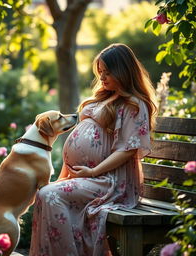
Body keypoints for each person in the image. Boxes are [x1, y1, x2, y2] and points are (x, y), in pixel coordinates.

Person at [29, 43, 158, 256]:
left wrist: (93, 171)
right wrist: (66, 175)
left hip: (110, 181)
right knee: (44, 193)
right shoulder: (106, 97)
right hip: (89, 177)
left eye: (108, 72)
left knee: (51, 196)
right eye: (100, 73)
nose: (103, 78)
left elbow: (127, 150)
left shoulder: (135, 105)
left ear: (123, 71)